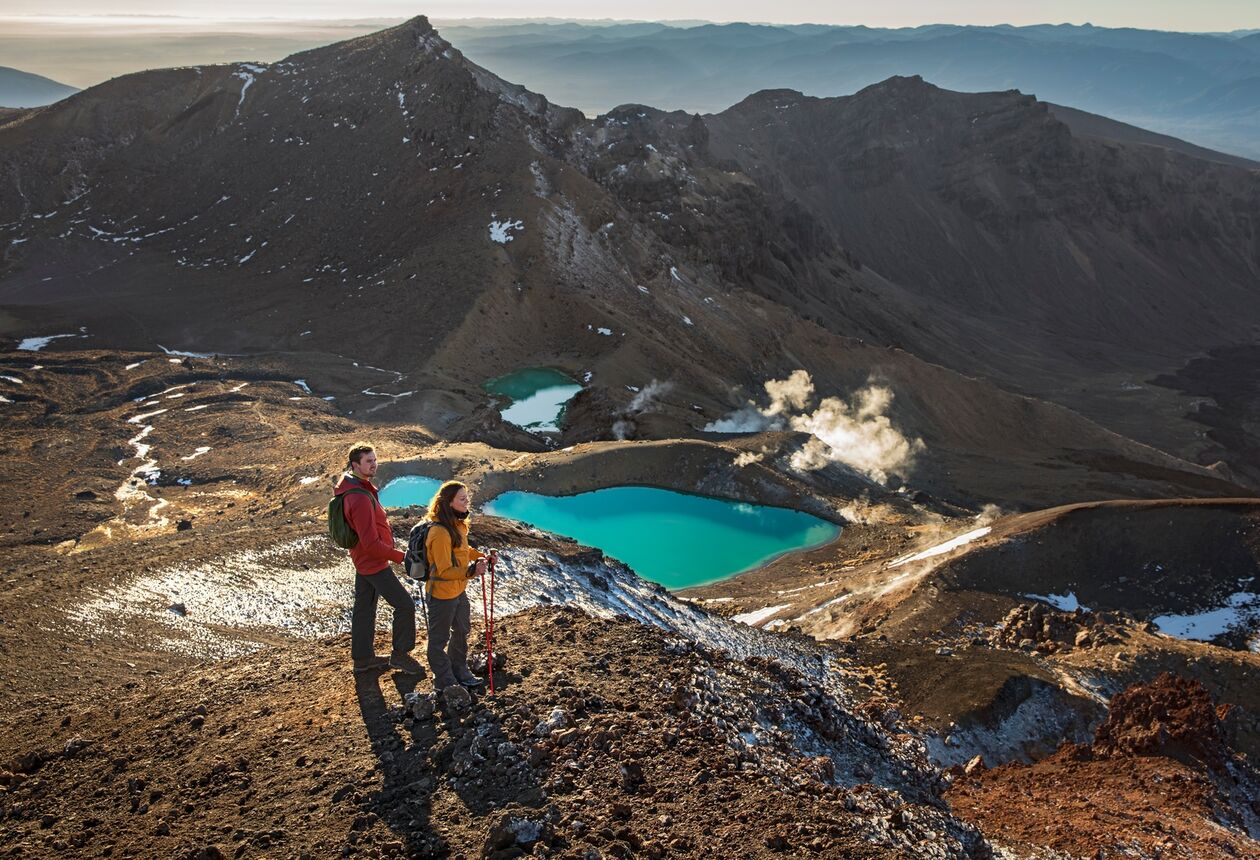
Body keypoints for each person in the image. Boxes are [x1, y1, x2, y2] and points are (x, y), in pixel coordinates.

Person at [335, 442, 425, 675]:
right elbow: (371, 544)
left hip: (363, 560)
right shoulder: (360, 498)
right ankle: (400, 655)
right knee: (404, 606)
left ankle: (363, 659)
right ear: (355, 465)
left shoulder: (357, 488)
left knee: (364, 608)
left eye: (375, 460)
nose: (374, 465)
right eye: (368, 461)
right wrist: (402, 557)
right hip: (372, 563)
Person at [423, 480, 496, 690]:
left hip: (458, 590)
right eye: (462, 499)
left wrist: (483, 556)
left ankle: (459, 669)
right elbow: (444, 570)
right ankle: (445, 680)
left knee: (462, 630)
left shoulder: (457, 525)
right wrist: (471, 571)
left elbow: (464, 551)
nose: (467, 503)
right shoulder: (439, 533)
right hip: (441, 594)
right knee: (439, 639)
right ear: (449, 503)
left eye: (467, 498)